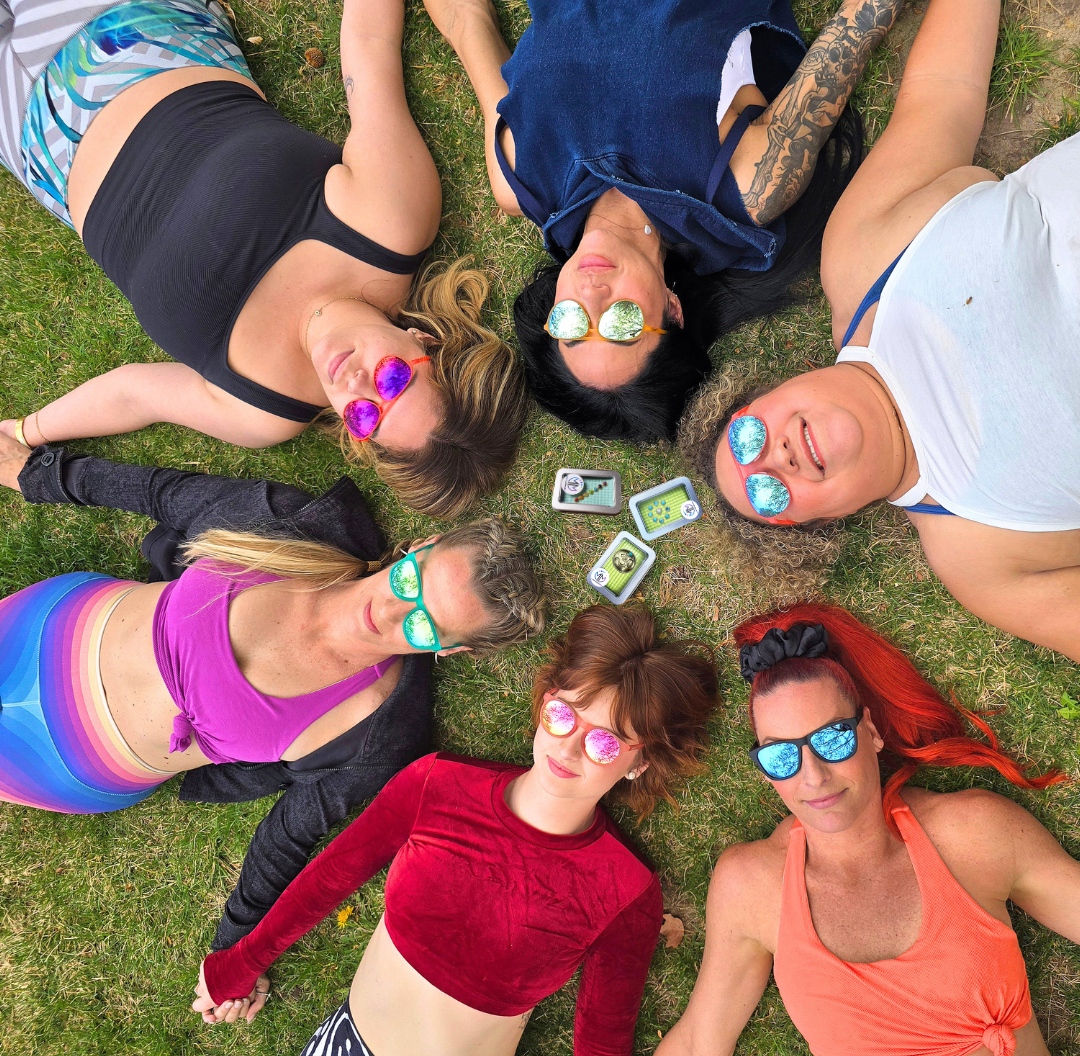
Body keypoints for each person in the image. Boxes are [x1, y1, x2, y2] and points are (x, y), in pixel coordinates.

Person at [0, 427, 547, 949]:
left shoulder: (374, 736)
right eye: (410, 583)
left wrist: (233, 948)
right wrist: (38, 474)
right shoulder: (297, 528)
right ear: (419, 548)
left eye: (423, 625)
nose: (388, 611)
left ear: (447, 650)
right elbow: (163, 493)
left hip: (58, 765)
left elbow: (287, 837)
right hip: (44, 631)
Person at [0, 0, 526, 517]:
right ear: (424, 341)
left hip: (37, 141)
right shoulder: (390, 224)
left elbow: (136, 394)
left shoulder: (263, 411)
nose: (355, 386)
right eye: (393, 379)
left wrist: (27, 431)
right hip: (128, 35)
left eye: (367, 416)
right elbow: (368, 51)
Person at [678, 0, 1080, 658]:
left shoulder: (861, 259)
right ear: (824, 523)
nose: (772, 457)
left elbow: (941, 96)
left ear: (774, 388)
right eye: (770, 491)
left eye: (748, 434)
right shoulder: (979, 561)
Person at [190, 604, 718, 1056]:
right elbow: (330, 877)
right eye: (563, 714)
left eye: (606, 741)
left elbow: (601, 1044)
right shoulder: (437, 784)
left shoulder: (626, 890)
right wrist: (239, 963)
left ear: (640, 762)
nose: (570, 747)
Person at [418, 0, 894, 443]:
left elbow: (468, 25)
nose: (593, 298)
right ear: (673, 310)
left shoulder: (521, 178)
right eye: (622, 323)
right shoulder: (745, 186)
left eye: (570, 322)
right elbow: (858, 25)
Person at [642, 602, 1077, 1056]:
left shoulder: (972, 833)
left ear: (869, 732)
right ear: (766, 773)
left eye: (831, 740)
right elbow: (697, 1047)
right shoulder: (752, 886)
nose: (813, 776)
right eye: (781, 757)